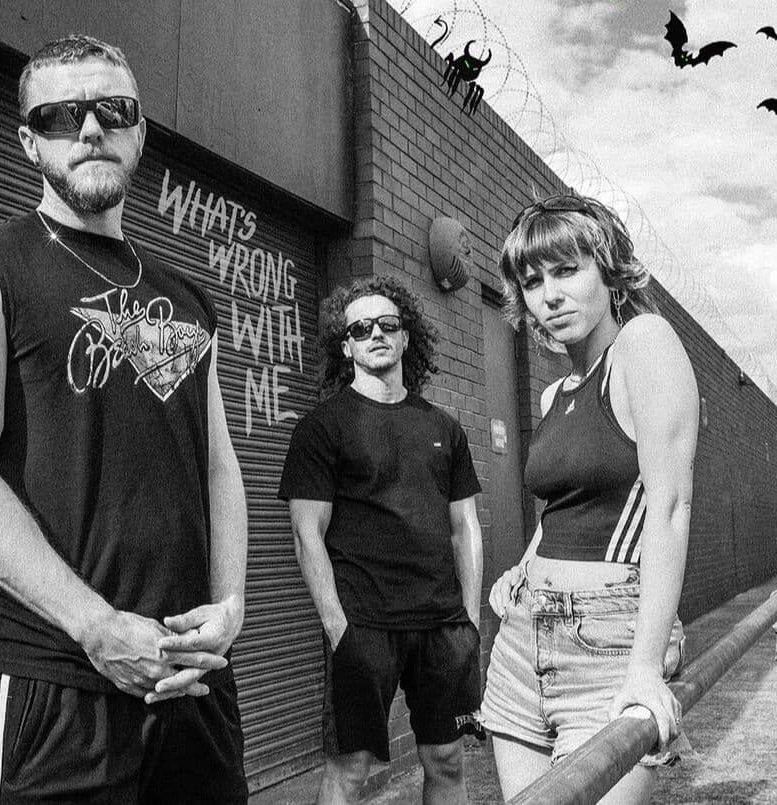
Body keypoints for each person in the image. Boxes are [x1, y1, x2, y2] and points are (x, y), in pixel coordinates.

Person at [0, 35, 249, 803]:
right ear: (29, 141)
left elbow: (219, 464)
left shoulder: (189, 299)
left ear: (140, 130)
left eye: (111, 108)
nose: (89, 128)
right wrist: (94, 625)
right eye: (59, 115)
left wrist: (230, 603)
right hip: (50, 687)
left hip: (191, 685)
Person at [479, 193, 699, 804]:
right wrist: (521, 570)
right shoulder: (555, 395)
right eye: (531, 281)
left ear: (609, 272)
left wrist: (646, 666)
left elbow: (670, 507)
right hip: (522, 642)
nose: (548, 295)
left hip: (608, 642)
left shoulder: (644, 345)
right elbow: (562, 510)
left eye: (566, 270)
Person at [279, 277, 484, 805]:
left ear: (406, 337)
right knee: (350, 768)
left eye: (388, 325)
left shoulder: (444, 427)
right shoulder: (323, 428)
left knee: (447, 760)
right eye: (361, 328)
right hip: (363, 624)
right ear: (344, 344)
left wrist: (470, 620)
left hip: (441, 625)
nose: (376, 334)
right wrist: (337, 627)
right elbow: (308, 535)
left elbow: (465, 528)